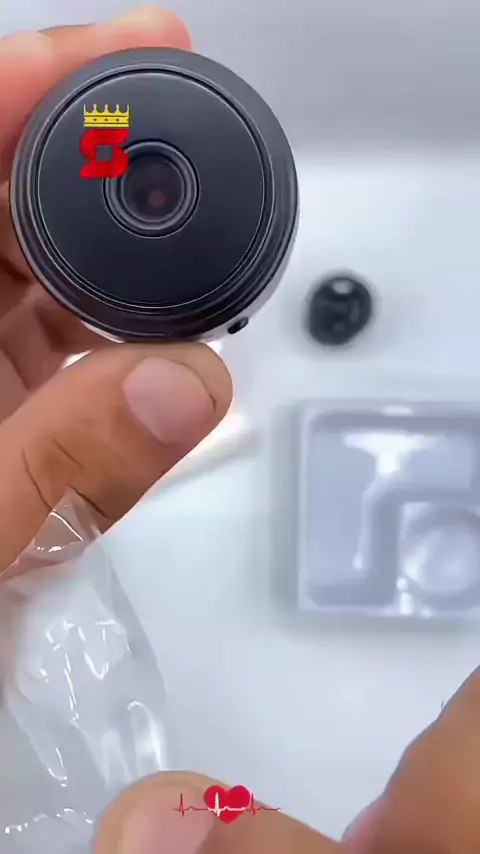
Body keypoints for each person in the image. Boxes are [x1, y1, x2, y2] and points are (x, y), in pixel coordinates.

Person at [0, 6, 478, 853]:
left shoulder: (112, 128)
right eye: (147, 193)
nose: (154, 196)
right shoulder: (103, 129)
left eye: (157, 192)